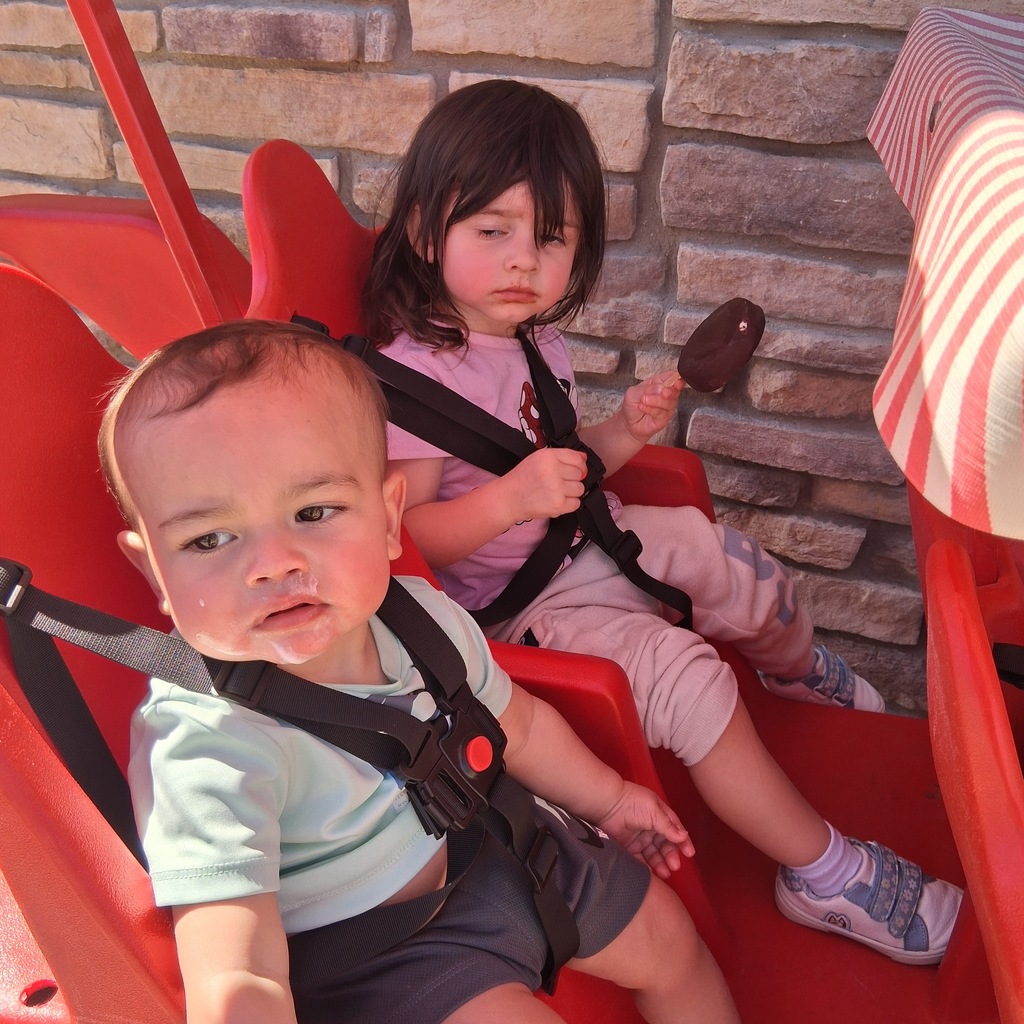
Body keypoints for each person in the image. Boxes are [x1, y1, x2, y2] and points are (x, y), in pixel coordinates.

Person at [364, 78, 963, 965]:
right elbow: (409, 546)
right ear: (425, 231)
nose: (524, 261)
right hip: (515, 617)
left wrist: (625, 431)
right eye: (493, 232)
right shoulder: (418, 379)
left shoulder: (535, 339)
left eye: (551, 237)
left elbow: (569, 467)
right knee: (688, 677)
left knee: (734, 564)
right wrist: (513, 501)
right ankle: (824, 874)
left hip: (583, 544)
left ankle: (799, 675)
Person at [99, 319, 740, 1024]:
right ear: (152, 570)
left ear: (386, 518)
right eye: (210, 538)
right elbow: (235, 967)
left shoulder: (419, 617)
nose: (273, 563)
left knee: (672, 941)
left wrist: (612, 800)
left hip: (495, 839)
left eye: (313, 510)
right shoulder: (203, 743)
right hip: (383, 959)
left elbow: (517, 725)